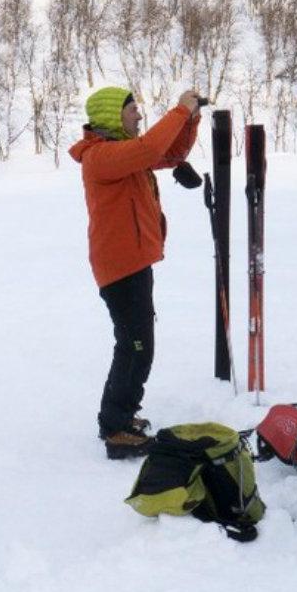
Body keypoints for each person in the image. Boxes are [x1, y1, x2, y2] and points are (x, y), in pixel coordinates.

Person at [69, 86, 204, 459]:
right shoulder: (101, 157)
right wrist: (179, 110)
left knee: (136, 343)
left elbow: (169, 152)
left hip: (134, 261)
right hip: (120, 265)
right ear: (113, 115)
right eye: (132, 111)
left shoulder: (124, 153)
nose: (138, 116)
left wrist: (190, 119)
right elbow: (149, 149)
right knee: (136, 346)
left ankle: (121, 417)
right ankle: (115, 428)